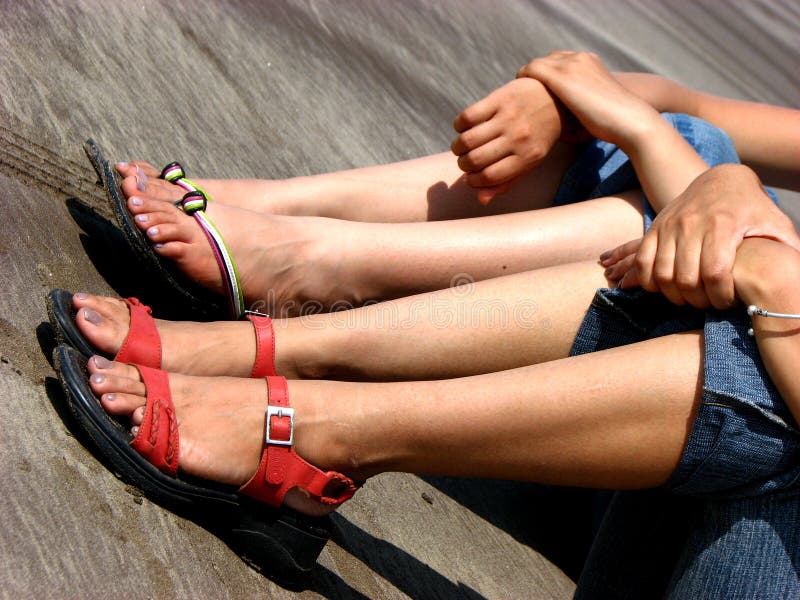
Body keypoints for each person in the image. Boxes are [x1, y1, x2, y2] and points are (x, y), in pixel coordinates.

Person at [59, 52, 800, 596]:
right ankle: (286, 254)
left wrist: (762, 266)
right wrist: (586, 109)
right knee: (693, 158)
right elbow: (677, 101)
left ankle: (317, 402)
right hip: (667, 462)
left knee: (755, 341)